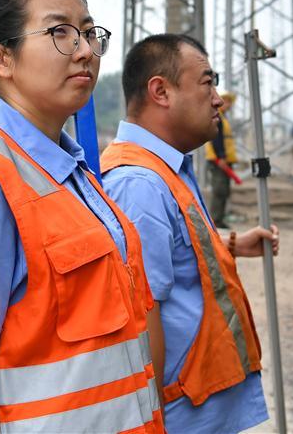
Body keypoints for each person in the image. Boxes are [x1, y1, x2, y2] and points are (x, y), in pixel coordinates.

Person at [0, 0, 163, 433]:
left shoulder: (75, 176)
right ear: (1, 59)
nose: (86, 51)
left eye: (90, 34)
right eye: (61, 33)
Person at [101, 34, 279, 434]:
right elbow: (143, 321)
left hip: (196, 408)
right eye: (207, 82)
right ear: (160, 91)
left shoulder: (162, 168)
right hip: (179, 415)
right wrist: (152, 423)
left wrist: (232, 243)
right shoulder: (139, 185)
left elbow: (175, 245)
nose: (217, 98)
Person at [204, 90, 238, 227]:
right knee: (219, 190)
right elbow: (217, 140)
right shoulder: (218, 118)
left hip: (223, 160)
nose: (228, 104)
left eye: (230, 102)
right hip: (219, 161)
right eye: (227, 101)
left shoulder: (223, 118)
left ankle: (219, 218)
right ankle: (215, 220)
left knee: (223, 190)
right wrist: (222, 157)